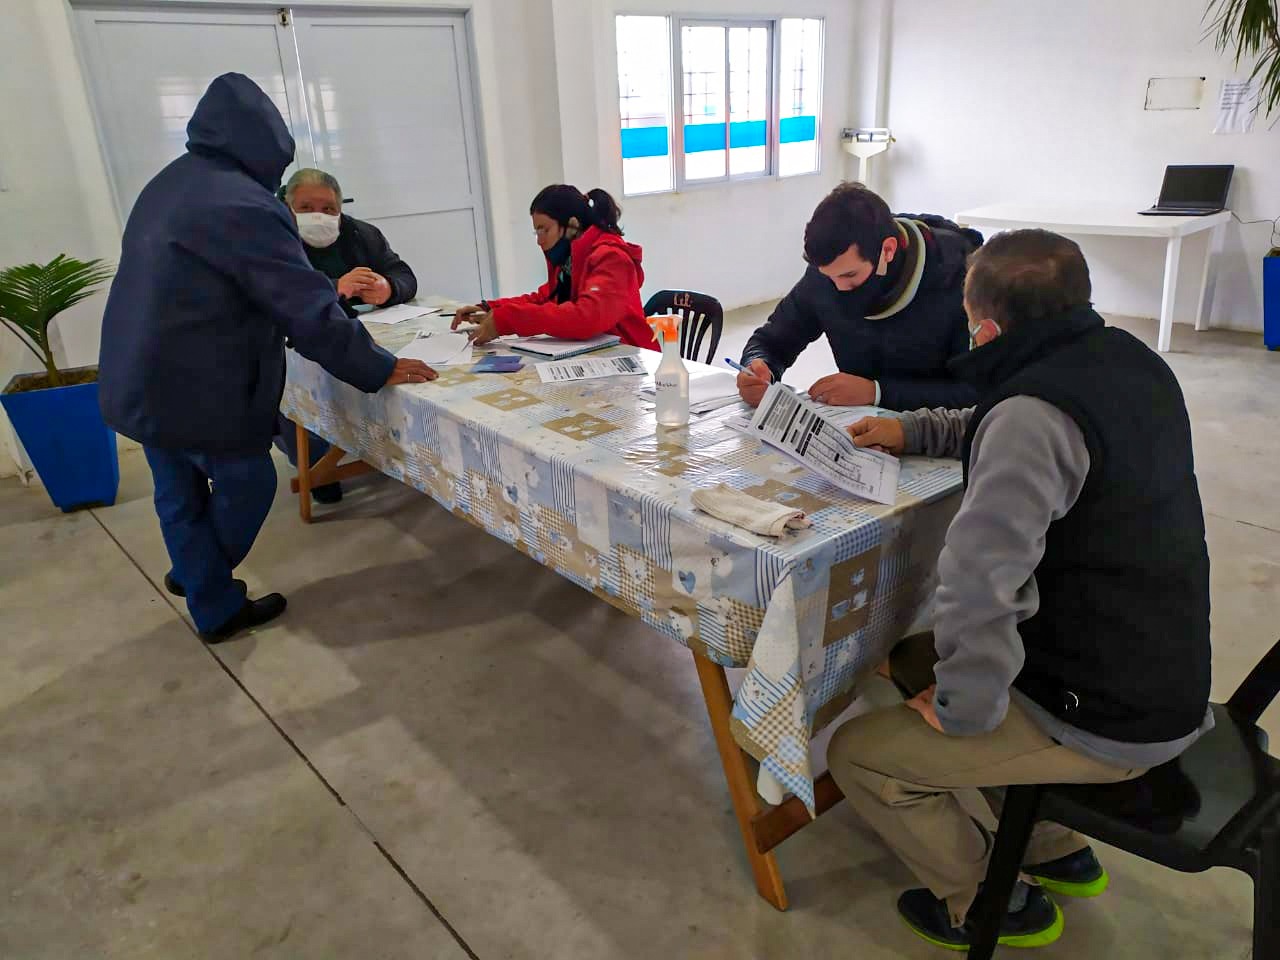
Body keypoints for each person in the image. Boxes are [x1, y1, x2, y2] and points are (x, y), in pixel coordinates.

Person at [826, 229, 1213, 950]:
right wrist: (911, 430)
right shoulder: (1127, 361)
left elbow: (980, 584)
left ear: (988, 328)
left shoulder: (1032, 415)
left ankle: (986, 901)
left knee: (857, 753)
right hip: (1159, 669)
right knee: (913, 657)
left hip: (1106, 715)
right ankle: (1050, 842)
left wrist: (963, 712)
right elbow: (999, 425)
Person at [98, 73, 435, 643]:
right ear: (269, 150)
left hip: (136, 373)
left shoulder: (168, 183)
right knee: (248, 482)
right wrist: (378, 366)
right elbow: (305, 308)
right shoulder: (244, 204)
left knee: (177, 493)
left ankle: (209, 599)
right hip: (200, 384)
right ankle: (204, 578)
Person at [736, 182, 980, 410]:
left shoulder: (961, 282)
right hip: (860, 425)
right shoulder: (826, 275)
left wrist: (877, 393)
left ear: (888, 250)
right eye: (829, 276)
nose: (839, 287)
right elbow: (771, 341)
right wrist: (758, 368)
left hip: (935, 431)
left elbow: (976, 391)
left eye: (850, 275)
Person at [276, 167, 420, 503]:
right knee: (294, 386)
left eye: (328, 209)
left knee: (403, 376)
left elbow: (404, 275)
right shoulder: (276, 241)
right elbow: (284, 295)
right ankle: (316, 468)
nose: (319, 216)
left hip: (368, 332)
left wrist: (389, 288)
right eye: (306, 207)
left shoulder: (362, 234)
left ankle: (393, 447)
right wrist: (334, 288)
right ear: (288, 208)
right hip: (301, 338)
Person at [451, 185, 653, 349]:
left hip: (632, 359)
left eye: (544, 230)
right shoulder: (569, 260)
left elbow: (587, 317)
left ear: (572, 225)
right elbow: (544, 298)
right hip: (596, 359)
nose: (539, 241)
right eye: (536, 232)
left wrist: (507, 320)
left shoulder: (612, 258)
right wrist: (491, 308)